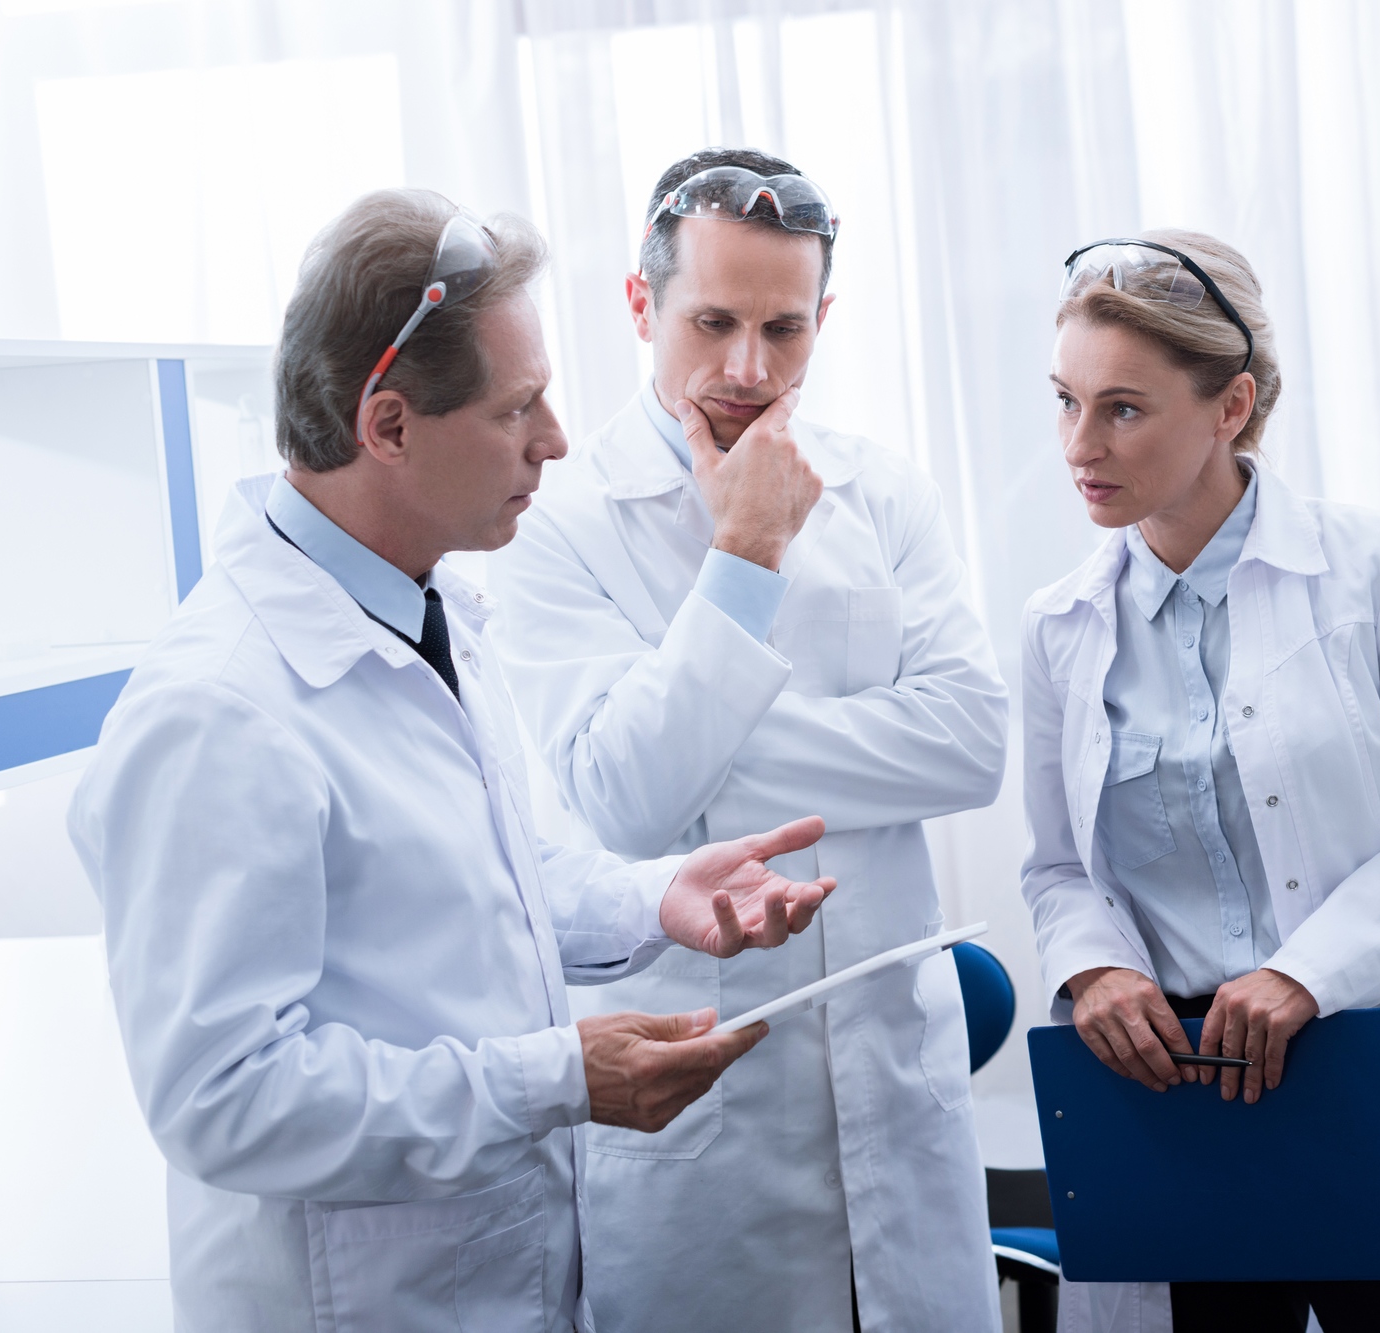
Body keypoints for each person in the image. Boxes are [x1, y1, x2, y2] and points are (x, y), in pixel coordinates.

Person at [66, 189, 840, 1332]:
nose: (556, 440)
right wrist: (557, 1078)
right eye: (516, 408)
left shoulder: (421, 610)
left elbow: (478, 879)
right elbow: (221, 1101)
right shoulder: (219, 710)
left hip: (493, 1275)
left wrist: (650, 894)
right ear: (386, 426)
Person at [489, 148, 1007, 1331]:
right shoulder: (552, 521)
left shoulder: (883, 490)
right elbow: (621, 797)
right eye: (711, 321)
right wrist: (749, 553)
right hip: (702, 1139)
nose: (746, 369)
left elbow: (969, 743)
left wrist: (704, 738)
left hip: (893, 1094)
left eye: (785, 328)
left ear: (825, 315)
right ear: (638, 303)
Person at [1018, 231, 1380, 1332]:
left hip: (1357, 1054)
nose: (1081, 444)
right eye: (1065, 401)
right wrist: (1091, 971)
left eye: (1122, 408)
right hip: (1171, 1087)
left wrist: (1303, 973)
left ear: (1230, 407)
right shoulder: (1058, 626)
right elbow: (1058, 865)